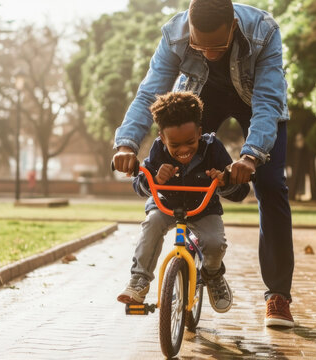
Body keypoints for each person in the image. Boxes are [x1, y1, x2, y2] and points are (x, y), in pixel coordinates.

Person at [112, 0, 295, 327]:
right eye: (200, 46)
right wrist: (126, 143)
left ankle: (277, 295)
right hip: (200, 96)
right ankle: (181, 254)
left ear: (233, 27)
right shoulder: (175, 34)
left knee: (270, 186)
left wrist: (250, 157)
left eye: (218, 46)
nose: (209, 53)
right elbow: (149, 95)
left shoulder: (263, 32)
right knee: (180, 150)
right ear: (190, 31)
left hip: (257, 101)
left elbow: (267, 103)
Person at [117, 91, 250, 314]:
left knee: (215, 244)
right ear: (162, 137)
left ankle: (213, 274)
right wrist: (156, 179)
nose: (183, 150)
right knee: (151, 224)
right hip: (166, 206)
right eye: (174, 145)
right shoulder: (158, 150)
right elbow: (140, 184)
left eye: (190, 142)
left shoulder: (213, 148)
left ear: (199, 132)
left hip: (203, 209)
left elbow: (240, 192)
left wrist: (224, 180)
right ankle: (139, 281)